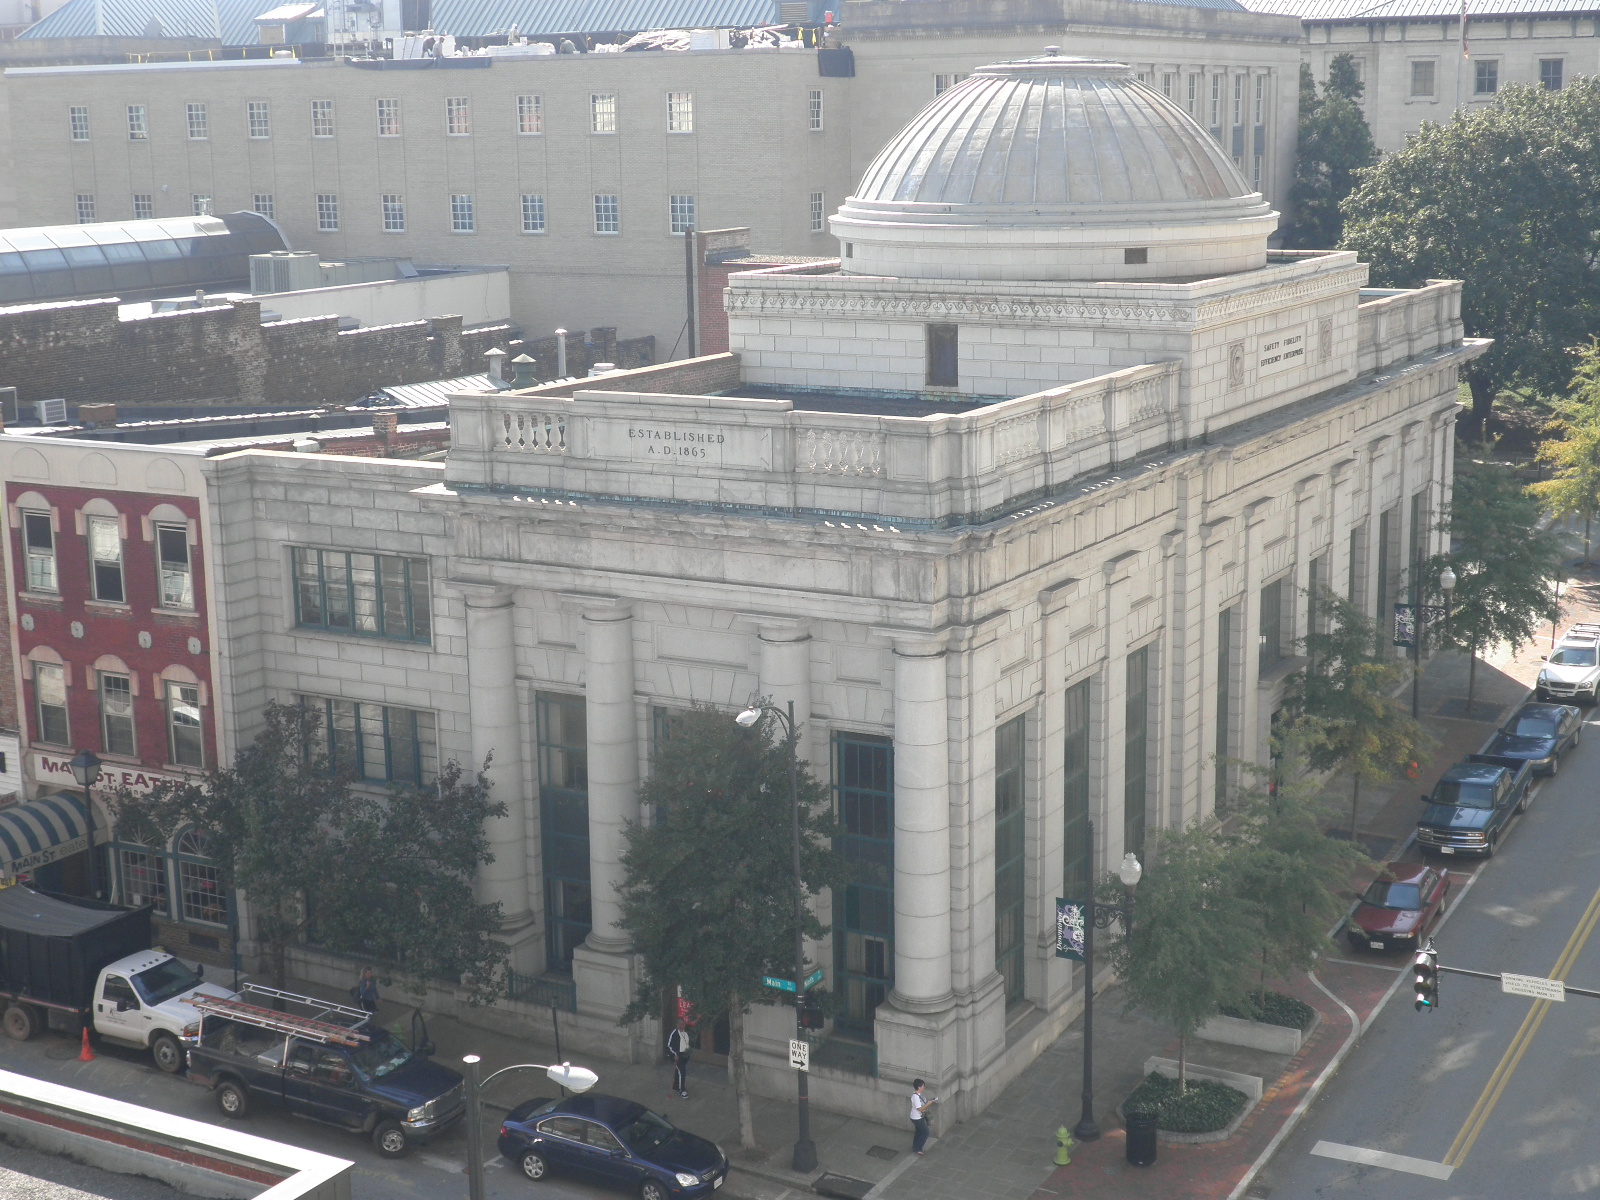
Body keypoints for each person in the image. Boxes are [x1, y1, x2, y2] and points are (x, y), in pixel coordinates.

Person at [910, 1079, 937, 1155]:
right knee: (925, 1132)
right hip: (917, 1118)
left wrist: (929, 1102)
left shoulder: (918, 1095)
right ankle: (918, 1148)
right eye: (923, 1086)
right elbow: (920, 1109)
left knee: (919, 1132)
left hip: (917, 1117)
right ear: (919, 1087)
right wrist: (929, 1103)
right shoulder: (915, 1097)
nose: (924, 1087)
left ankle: (915, 1147)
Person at [667, 1018, 692, 1099]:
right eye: (680, 1024)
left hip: (684, 1055)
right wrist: (675, 1054)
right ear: (677, 1025)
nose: (682, 1026)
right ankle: (682, 1090)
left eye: (683, 1024)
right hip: (676, 1056)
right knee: (682, 1072)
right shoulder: (674, 1034)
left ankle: (676, 1086)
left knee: (679, 1071)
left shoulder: (685, 1032)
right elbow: (669, 1046)